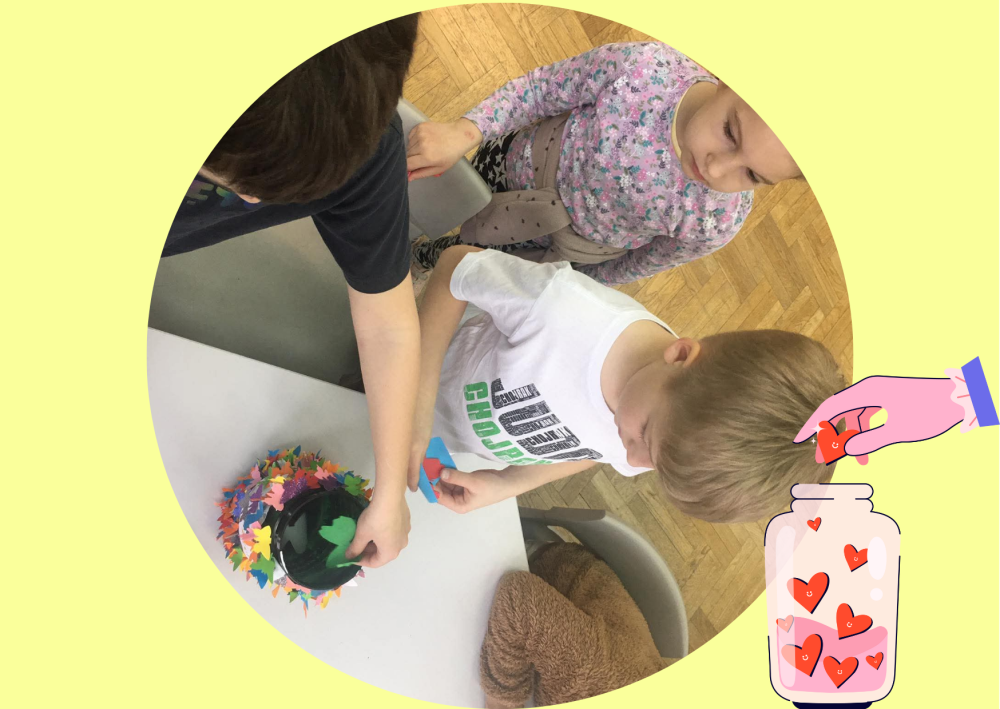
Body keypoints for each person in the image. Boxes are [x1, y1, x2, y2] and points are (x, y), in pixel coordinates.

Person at [164, 16, 421, 567]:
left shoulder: (360, 141)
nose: (255, 203)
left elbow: (389, 325)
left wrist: (391, 492)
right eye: (225, 179)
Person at [411, 245, 843, 524]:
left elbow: (592, 451)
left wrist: (507, 484)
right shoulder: (561, 311)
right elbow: (456, 267)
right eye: (644, 436)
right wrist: (416, 404)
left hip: (438, 438)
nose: (632, 459)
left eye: (651, 464)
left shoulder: (656, 434)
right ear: (679, 355)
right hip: (410, 369)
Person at [406, 42, 800, 285]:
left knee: (471, 258)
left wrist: (572, 284)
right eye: (730, 132)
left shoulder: (717, 221)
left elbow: (637, 265)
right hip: (508, 168)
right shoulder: (644, 70)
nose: (715, 170)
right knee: (451, 202)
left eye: (752, 175)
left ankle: (424, 259)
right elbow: (541, 90)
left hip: (549, 244)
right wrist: (467, 130)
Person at [480, 542, 664, 708]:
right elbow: (518, 598)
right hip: (538, 568)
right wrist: (503, 701)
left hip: (544, 649)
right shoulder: (595, 672)